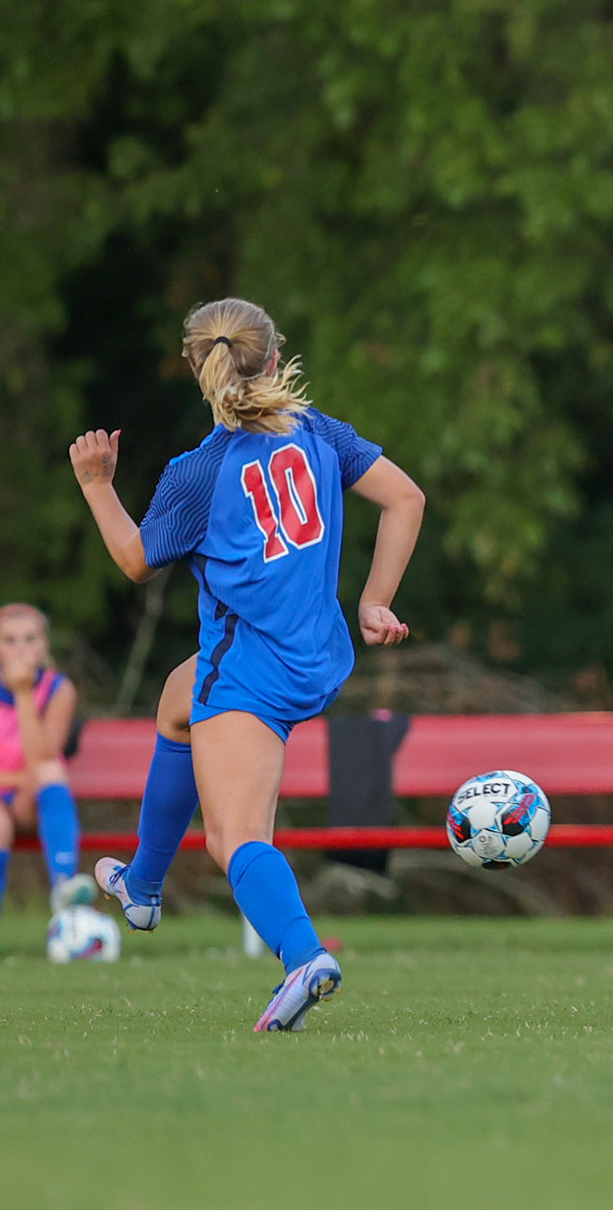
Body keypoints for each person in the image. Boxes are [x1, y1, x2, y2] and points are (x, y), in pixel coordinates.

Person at [71, 297, 424, 1032]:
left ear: (195, 370)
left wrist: (98, 485)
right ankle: (142, 884)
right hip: (317, 653)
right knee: (176, 699)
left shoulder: (199, 472)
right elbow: (405, 498)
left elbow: (136, 561)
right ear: (274, 354)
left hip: (253, 672)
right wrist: (374, 600)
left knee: (234, 839)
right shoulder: (317, 429)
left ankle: (304, 957)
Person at [0, 603, 94, 919]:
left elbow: (42, 760)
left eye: (30, 639)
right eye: (9, 640)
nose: (21, 649)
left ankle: (64, 890)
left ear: (44, 645)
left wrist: (24, 694)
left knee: (51, 770)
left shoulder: (58, 689)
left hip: (31, 801)